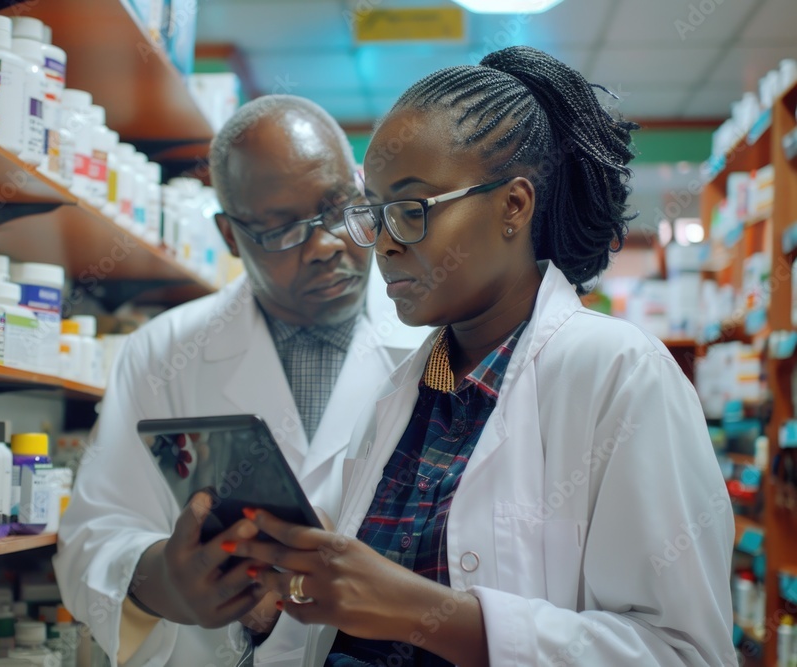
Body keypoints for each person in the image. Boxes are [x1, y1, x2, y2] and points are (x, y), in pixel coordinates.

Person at [227, 47, 736, 666]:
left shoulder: (621, 375)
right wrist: (264, 596)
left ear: (513, 206)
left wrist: (425, 615)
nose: (383, 245)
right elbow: (334, 609)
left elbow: (685, 654)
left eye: (411, 211)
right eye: (375, 214)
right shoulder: (401, 397)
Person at [54, 95, 428, 667]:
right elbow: (91, 540)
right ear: (231, 238)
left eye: (339, 209)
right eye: (281, 231)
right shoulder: (162, 351)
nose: (327, 245)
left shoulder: (436, 336)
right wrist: (164, 581)